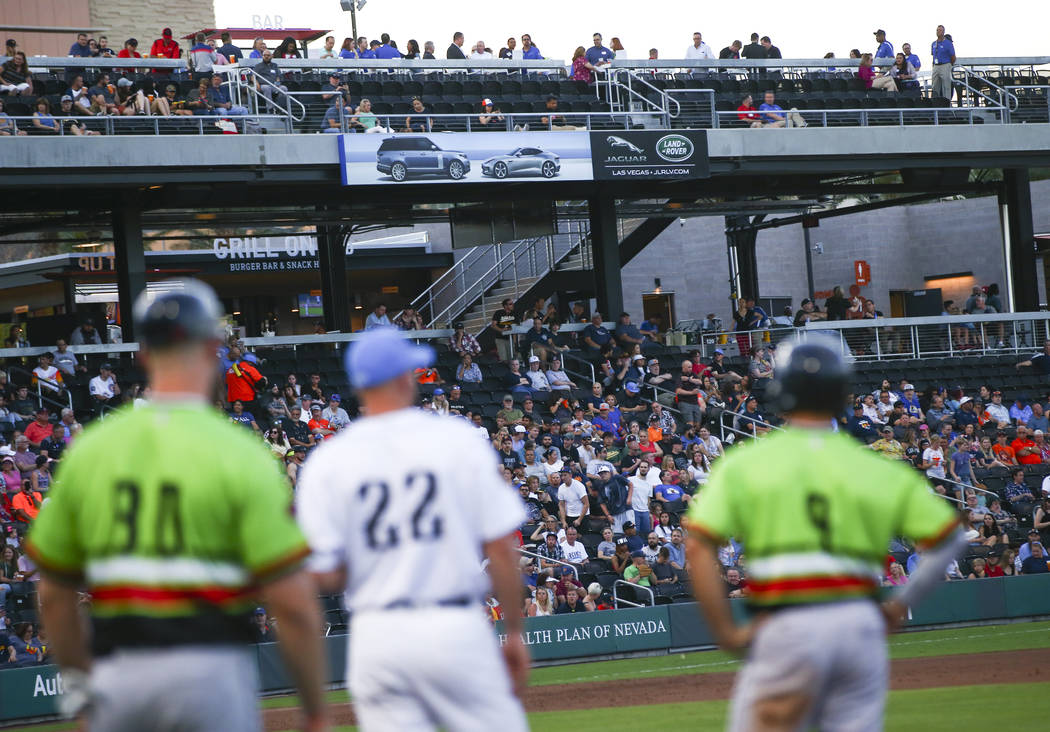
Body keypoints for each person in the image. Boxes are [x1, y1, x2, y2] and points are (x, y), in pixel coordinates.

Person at [26, 280, 328, 731]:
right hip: (210, 669)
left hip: (118, 675)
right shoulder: (239, 450)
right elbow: (293, 602)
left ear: (144, 353)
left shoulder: (93, 447)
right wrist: (315, 711)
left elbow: (52, 594)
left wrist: (82, 695)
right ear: (212, 349)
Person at [685, 337, 963, 732]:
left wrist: (726, 632)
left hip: (787, 624)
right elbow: (949, 538)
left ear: (781, 390)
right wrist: (900, 605)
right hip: (859, 627)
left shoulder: (746, 463)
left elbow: (697, 545)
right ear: (840, 394)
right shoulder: (877, 467)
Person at [296, 327, 529, 731]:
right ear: (406, 378)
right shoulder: (455, 438)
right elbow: (500, 548)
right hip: (452, 626)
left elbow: (325, 574)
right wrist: (513, 631)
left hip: (376, 636)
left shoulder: (328, 460)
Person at [931, 25, 956, 102]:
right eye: (937, 30)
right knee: (935, 85)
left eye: (940, 30)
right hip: (936, 66)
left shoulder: (948, 43)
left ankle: (947, 103)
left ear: (943, 32)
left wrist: (949, 65)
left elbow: (953, 56)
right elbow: (933, 55)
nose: (938, 32)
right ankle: (935, 103)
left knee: (946, 86)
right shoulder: (933, 44)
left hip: (945, 65)